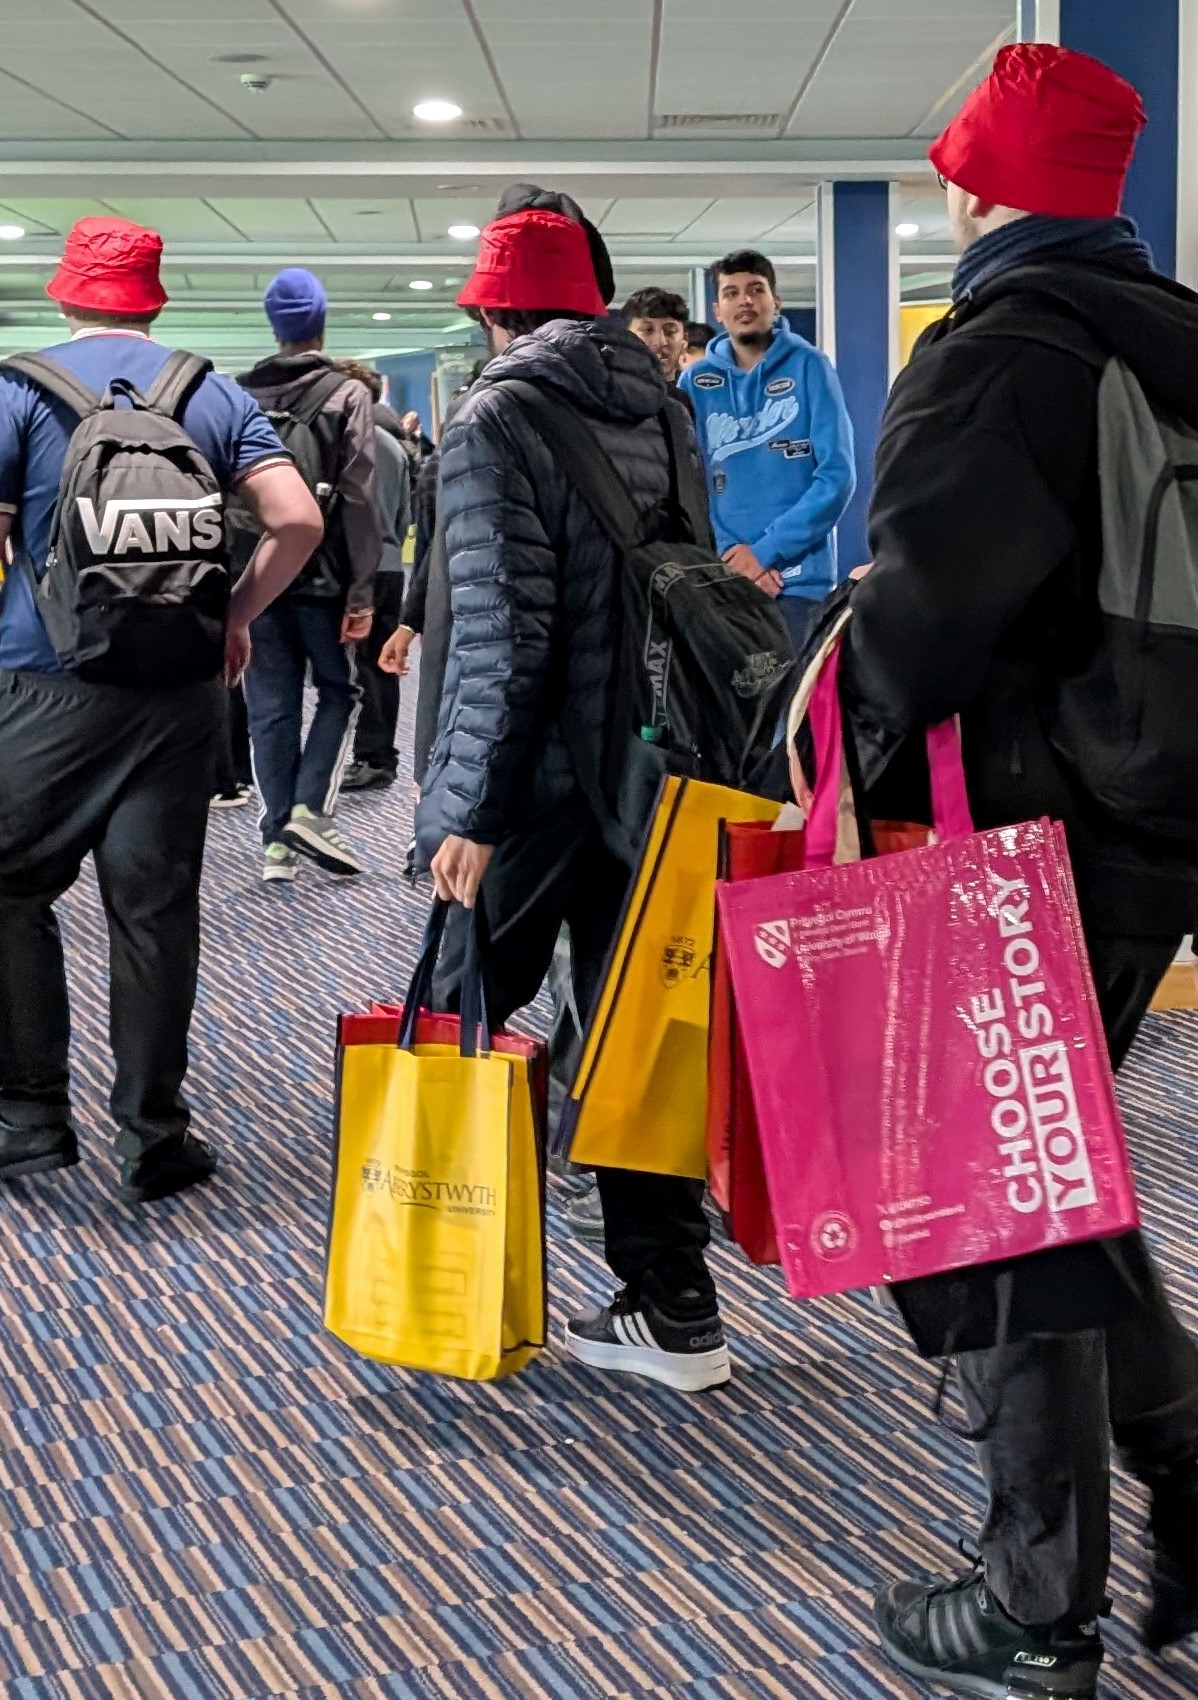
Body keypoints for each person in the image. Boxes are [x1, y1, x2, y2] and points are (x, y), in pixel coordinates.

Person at [835, 45, 1198, 1698]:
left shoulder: (994, 356)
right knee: (1051, 1168)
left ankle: (1037, 1610)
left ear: (970, 187)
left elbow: (915, 630)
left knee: (992, 1202)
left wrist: (820, 802)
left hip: (1016, 846)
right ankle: (1193, 1472)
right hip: (1160, 831)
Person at [0, 216, 322, 1204]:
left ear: (66, 294)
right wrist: (232, 617)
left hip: (48, 688)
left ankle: (29, 1115)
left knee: (11, 892)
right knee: (154, 911)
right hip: (176, 696)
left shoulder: (19, 391)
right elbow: (298, 518)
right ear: (153, 303)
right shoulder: (210, 391)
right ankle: (155, 1133)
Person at [418, 202, 729, 1397]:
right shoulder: (664, 402)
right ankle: (675, 1303)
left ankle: (445, 1275)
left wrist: (470, 810)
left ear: (491, 308)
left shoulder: (493, 416)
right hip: (653, 767)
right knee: (633, 1029)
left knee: (456, 1012)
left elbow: (503, 632)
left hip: (537, 778)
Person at [235, 268, 379, 884]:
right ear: (321, 323)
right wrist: (363, 590)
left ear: (275, 326)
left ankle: (276, 844)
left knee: (270, 705)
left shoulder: (239, 395)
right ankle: (307, 809)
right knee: (340, 691)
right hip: (323, 574)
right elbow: (359, 499)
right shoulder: (347, 395)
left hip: (256, 575)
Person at [685, 249, 855, 650]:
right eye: (731, 293)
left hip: (798, 583)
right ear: (718, 310)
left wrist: (765, 553)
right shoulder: (694, 382)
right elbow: (689, 484)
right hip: (721, 576)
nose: (745, 300)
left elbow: (837, 475)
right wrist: (732, 556)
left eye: (756, 289)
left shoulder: (811, 366)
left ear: (775, 301)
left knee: (795, 691)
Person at [338, 360, 412, 792]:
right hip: (389, 564)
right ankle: (378, 755)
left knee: (362, 669)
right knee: (379, 666)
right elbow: (404, 515)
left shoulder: (352, 444)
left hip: (360, 568)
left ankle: (372, 757)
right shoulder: (392, 444)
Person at [622, 287, 690, 385]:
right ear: (626, 338)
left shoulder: (695, 390)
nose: (661, 342)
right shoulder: (608, 390)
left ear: (685, 339)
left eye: (670, 331)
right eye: (647, 330)